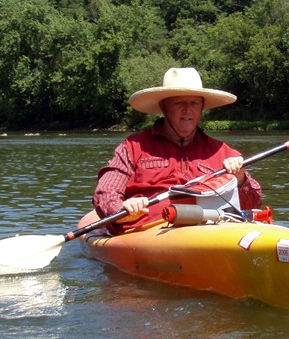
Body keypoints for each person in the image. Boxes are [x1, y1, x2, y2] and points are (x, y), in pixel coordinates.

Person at [93, 67, 263, 234]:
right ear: (164, 107)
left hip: (206, 231)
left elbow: (253, 204)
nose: (188, 110)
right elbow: (107, 191)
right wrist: (120, 211)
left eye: (194, 103)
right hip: (146, 231)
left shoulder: (223, 152)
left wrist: (240, 179)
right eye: (180, 103)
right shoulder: (133, 146)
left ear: (202, 107)